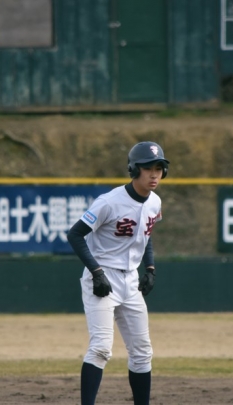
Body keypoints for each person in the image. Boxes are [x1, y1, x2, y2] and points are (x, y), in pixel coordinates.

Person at [67, 141, 169, 405]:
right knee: (101, 348)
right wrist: (96, 271)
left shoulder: (155, 202)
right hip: (102, 277)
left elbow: (146, 234)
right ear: (134, 169)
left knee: (142, 352)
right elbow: (75, 234)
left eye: (159, 168)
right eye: (148, 168)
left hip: (131, 280)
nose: (154, 174)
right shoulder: (109, 202)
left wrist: (150, 268)